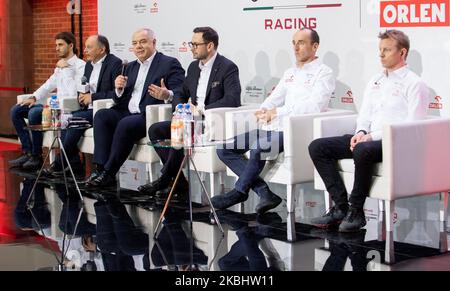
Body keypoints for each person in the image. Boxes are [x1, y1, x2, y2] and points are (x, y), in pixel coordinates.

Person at [308, 29, 429, 232]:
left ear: (402, 53)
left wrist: (371, 137)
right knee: (318, 147)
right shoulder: (376, 80)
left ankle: (357, 211)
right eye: (380, 49)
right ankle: (340, 206)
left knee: (362, 150)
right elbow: (364, 113)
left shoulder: (415, 84)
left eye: (387, 50)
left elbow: (411, 127)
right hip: (368, 138)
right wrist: (361, 132)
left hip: (394, 142)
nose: (381, 54)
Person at [211, 28, 335, 214]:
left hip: (297, 131)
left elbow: (314, 107)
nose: (296, 47)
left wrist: (277, 112)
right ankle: (264, 192)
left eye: (301, 42)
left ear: (315, 46)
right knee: (224, 148)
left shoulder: (324, 72)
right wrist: (264, 109)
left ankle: (239, 191)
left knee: (259, 147)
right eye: (294, 43)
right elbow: (275, 97)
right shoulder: (290, 72)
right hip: (275, 126)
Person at [137, 26, 241, 198]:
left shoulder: (227, 67)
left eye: (195, 44)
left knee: (183, 133)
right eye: (191, 44)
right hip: (190, 121)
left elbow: (232, 99)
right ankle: (178, 182)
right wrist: (180, 108)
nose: (191, 48)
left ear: (209, 46)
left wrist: (201, 110)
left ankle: (165, 178)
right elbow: (180, 93)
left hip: (211, 122)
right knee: (156, 129)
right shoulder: (193, 67)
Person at [86, 28, 185, 187]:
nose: (138, 46)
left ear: (154, 42)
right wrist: (118, 89)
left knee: (126, 124)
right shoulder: (129, 67)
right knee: (102, 115)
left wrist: (167, 94)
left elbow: (181, 91)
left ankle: (109, 173)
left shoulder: (168, 63)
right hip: (126, 111)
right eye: (134, 43)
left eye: (143, 42)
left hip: (148, 114)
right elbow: (121, 99)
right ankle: (100, 168)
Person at [44, 35, 122, 177]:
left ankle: (60, 163)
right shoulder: (88, 65)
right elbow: (83, 87)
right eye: (85, 46)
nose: (85, 50)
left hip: (103, 110)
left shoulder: (114, 63)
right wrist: (81, 96)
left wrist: (92, 97)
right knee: (65, 118)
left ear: (102, 49)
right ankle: (72, 163)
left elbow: (116, 92)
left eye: (89, 47)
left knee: (74, 120)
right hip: (87, 108)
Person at [9, 32, 85, 170]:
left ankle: (36, 156)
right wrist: (33, 97)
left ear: (71, 45)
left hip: (68, 109)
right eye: (56, 45)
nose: (57, 48)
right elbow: (48, 85)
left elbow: (76, 92)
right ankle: (27, 151)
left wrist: (67, 68)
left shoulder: (80, 66)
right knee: (16, 110)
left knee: (34, 113)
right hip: (54, 106)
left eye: (60, 45)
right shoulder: (59, 67)